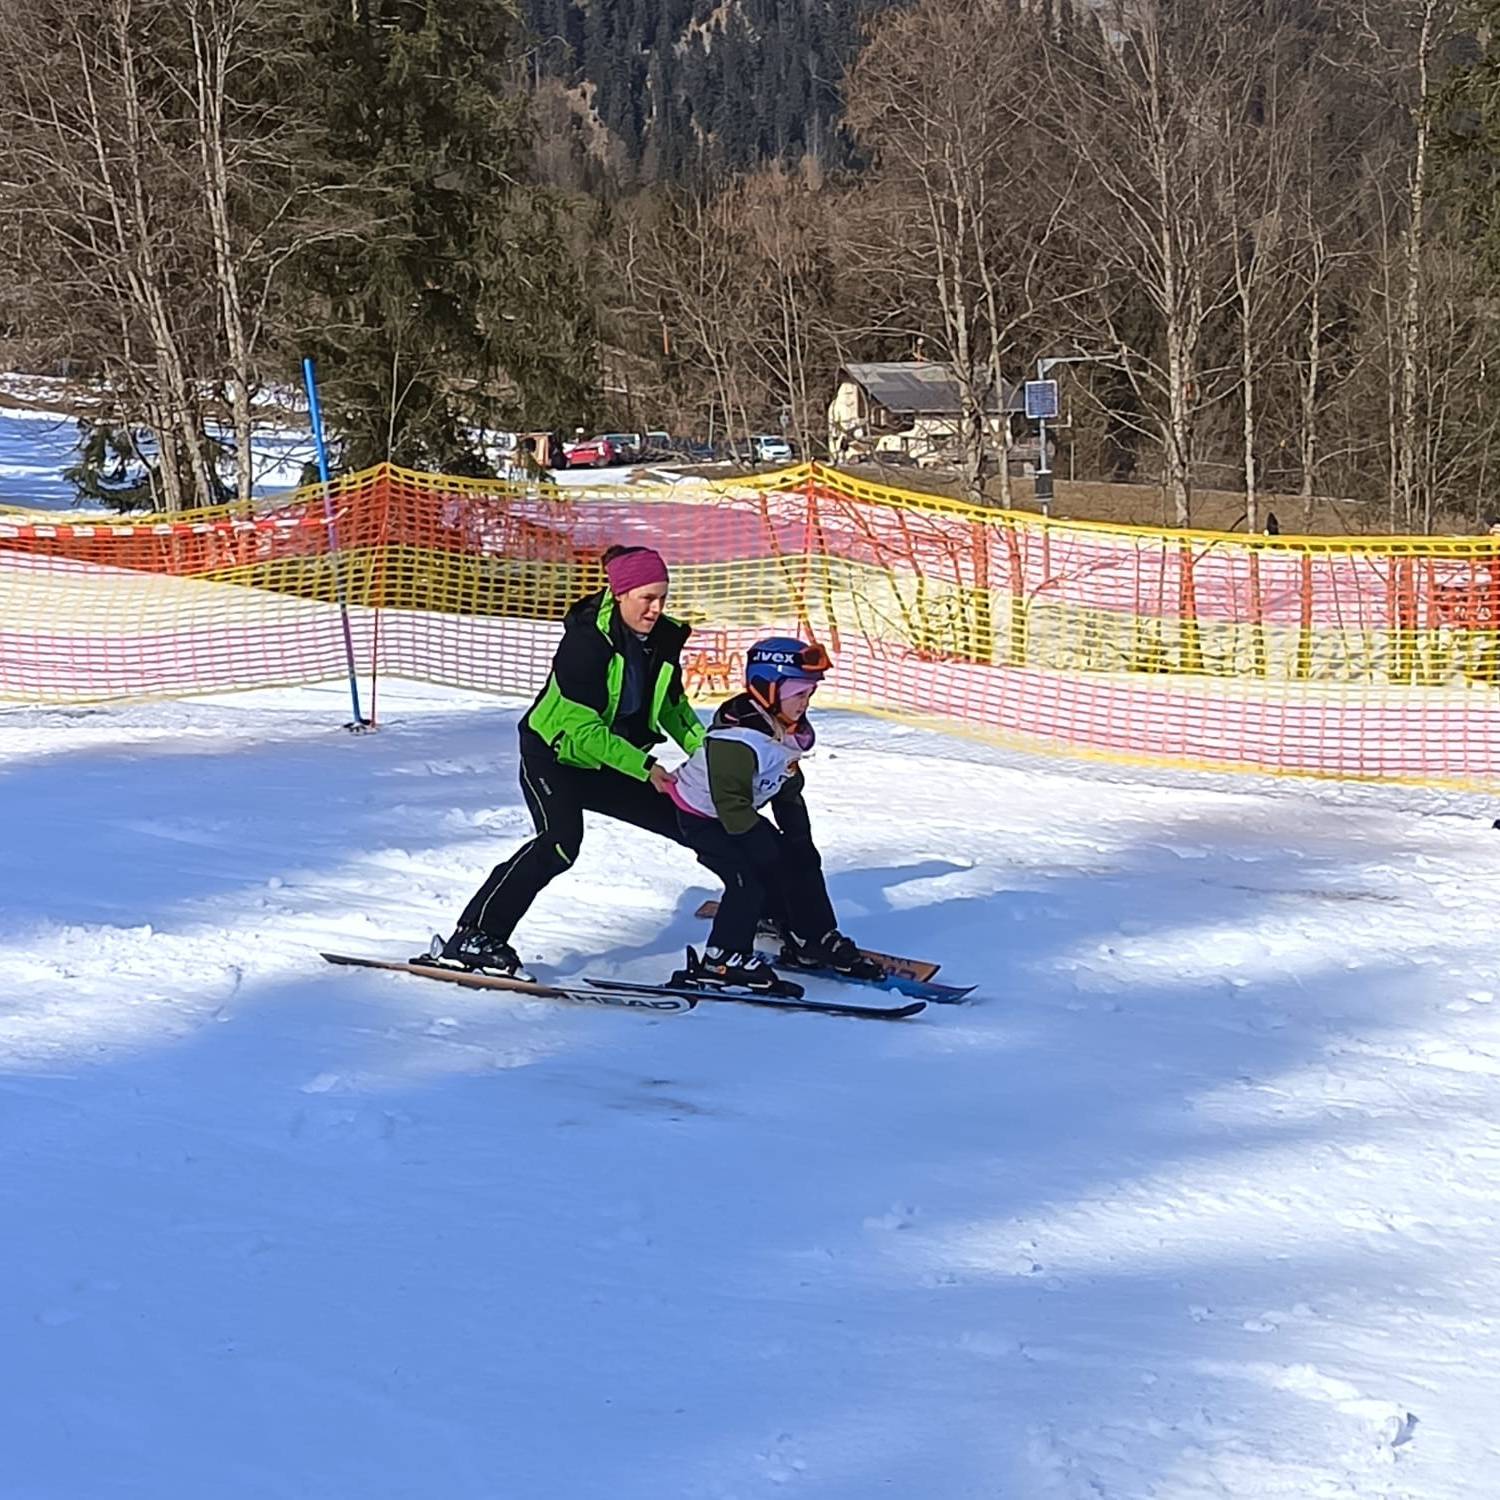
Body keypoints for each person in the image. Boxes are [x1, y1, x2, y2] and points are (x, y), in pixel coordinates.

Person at [437, 544, 707, 977]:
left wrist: (712, 755)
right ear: (620, 594)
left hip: (610, 759)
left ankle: (760, 906)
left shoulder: (663, 639)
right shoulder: (585, 642)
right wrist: (644, 768)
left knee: (691, 818)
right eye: (647, 598)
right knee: (559, 844)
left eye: (662, 597)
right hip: (554, 757)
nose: (656, 609)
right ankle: (475, 935)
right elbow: (582, 730)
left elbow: (673, 708)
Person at [664, 637, 884, 993]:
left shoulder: (784, 729)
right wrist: (764, 847)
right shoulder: (737, 738)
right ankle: (721, 959)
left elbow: (787, 789)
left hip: (737, 814)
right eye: (798, 693)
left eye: (809, 693)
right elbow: (729, 802)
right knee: (747, 879)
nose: (805, 702)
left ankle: (811, 938)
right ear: (767, 688)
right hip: (703, 817)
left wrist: (799, 840)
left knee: (800, 861)